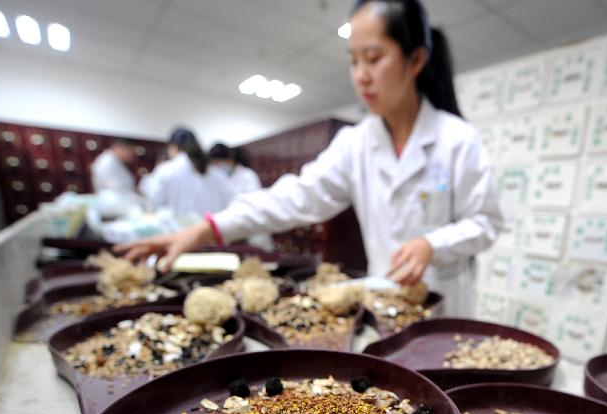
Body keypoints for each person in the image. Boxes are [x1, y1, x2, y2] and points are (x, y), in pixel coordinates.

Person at [118, 0, 502, 317]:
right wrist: (207, 229)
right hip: (382, 302)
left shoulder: (456, 139)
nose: (361, 76)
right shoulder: (357, 143)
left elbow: (486, 222)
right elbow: (297, 197)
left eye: (373, 58)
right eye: (353, 61)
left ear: (415, 60)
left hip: (445, 308)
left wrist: (432, 245)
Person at [141, 127, 233, 215]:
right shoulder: (216, 173)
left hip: (179, 230)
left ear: (173, 147)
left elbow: (153, 205)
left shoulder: (165, 170)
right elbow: (229, 204)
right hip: (210, 229)